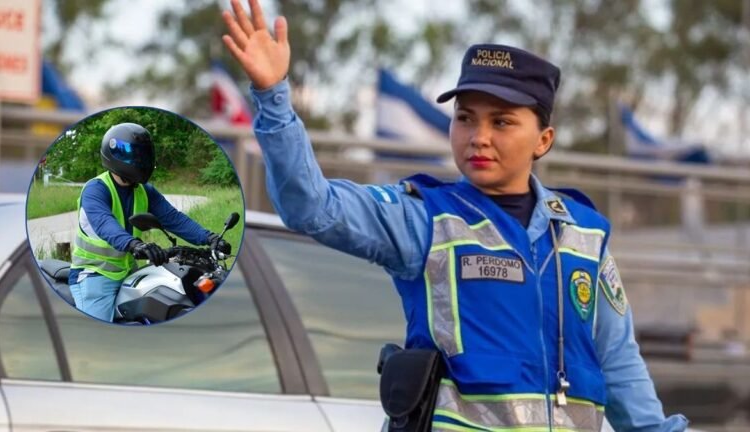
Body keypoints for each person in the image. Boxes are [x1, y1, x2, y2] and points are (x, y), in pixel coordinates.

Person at [221, 1, 689, 430]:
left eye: (501, 122)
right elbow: (311, 206)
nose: (478, 137)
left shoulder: (584, 233)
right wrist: (273, 93)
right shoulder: (424, 219)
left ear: (543, 140)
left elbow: (618, 362)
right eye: (465, 118)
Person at [68, 122, 231, 323]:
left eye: (144, 155)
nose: (141, 160)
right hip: (94, 275)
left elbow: (173, 218)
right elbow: (104, 223)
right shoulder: (96, 189)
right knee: (99, 337)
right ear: (115, 155)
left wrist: (209, 237)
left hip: (128, 271)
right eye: (136, 155)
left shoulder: (144, 190)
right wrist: (135, 244)